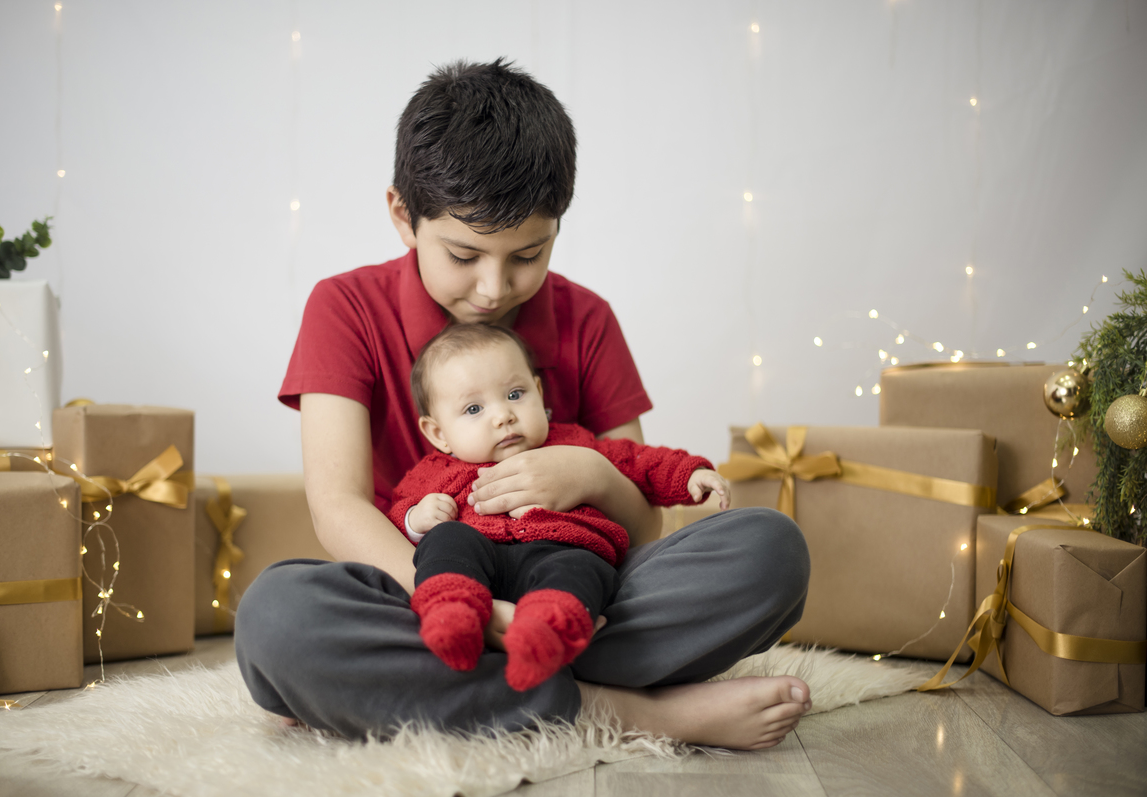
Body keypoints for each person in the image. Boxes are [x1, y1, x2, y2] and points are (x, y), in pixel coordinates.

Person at [235, 58, 812, 750]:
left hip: (576, 585)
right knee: (278, 617)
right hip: (422, 591)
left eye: (526, 255)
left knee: (770, 550)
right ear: (402, 215)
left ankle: (433, 685)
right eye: (464, 254)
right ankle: (623, 711)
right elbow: (339, 508)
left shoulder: (586, 319)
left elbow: (644, 529)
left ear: (557, 229)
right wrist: (472, 611)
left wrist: (593, 476)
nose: (492, 287)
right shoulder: (344, 307)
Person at [393, 323, 730, 692]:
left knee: (587, 565)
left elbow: (636, 460)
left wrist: (688, 473)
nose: (503, 415)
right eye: (474, 408)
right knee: (447, 540)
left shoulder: (574, 444)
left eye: (515, 393)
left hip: (559, 552)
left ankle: (547, 633)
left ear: (538, 392)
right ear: (438, 433)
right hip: (478, 561)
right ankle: (450, 613)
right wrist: (416, 518)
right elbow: (397, 515)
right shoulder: (433, 473)